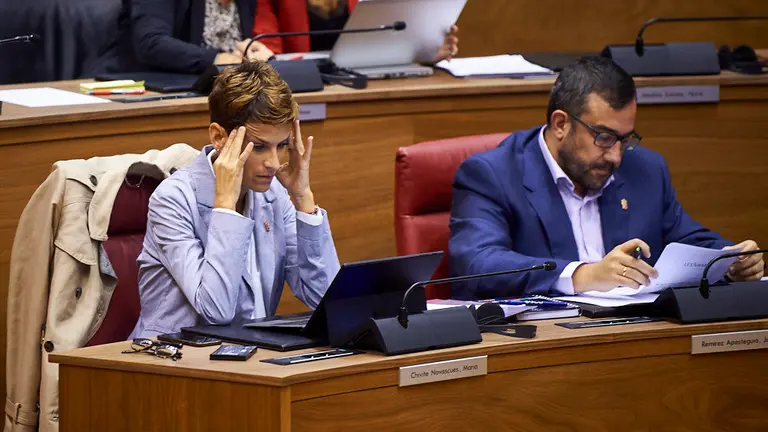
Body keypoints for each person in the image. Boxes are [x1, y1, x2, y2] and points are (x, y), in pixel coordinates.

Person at [448, 56, 764, 299]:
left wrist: (730, 260)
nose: (616, 155)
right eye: (603, 137)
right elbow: (477, 264)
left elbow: (690, 241)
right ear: (560, 124)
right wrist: (583, 275)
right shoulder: (493, 174)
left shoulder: (645, 170)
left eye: (625, 139)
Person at [130, 60, 340, 337]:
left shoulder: (273, 195)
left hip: (250, 357)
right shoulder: (173, 200)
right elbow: (216, 311)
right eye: (260, 147)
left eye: (282, 146)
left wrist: (303, 199)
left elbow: (325, 299)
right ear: (219, 137)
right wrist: (226, 209)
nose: (274, 163)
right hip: (175, 363)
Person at [91, 0, 275, 76]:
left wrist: (248, 50)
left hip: (213, 91)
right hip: (141, 88)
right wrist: (218, 59)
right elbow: (151, 43)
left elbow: (231, 47)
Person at [253, 0, 459, 61]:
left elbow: (390, 40)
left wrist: (423, 50)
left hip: (363, 87)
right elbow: (267, 52)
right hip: (305, 96)